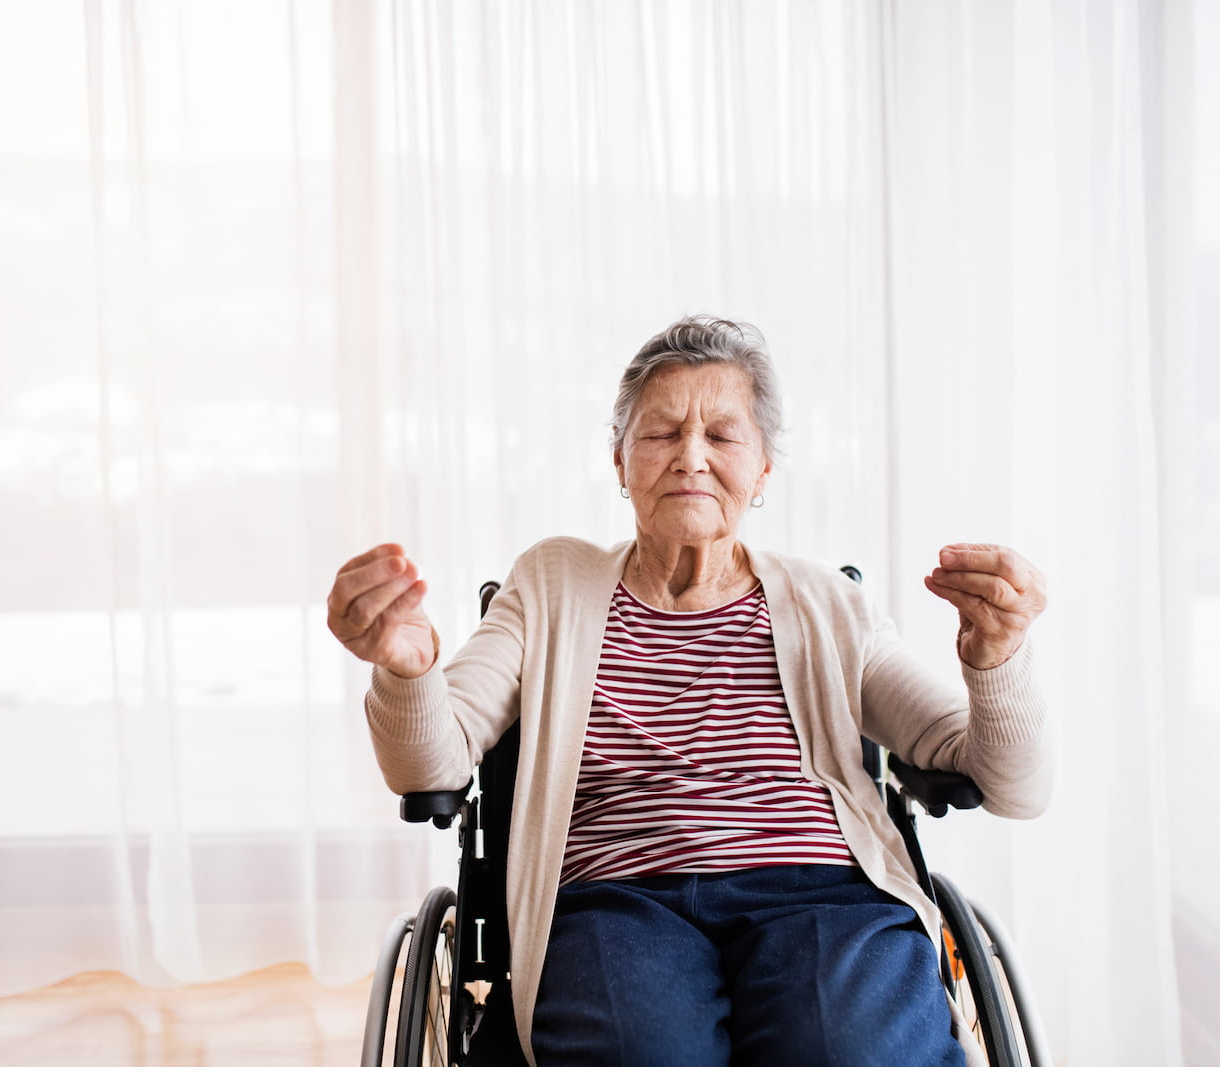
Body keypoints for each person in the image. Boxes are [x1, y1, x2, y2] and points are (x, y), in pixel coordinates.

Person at [327, 315, 1050, 1067]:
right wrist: (409, 672)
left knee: (849, 1051)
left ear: (764, 467)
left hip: (824, 897)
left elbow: (1014, 785)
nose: (691, 458)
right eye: (662, 433)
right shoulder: (551, 585)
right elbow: (429, 768)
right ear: (620, 460)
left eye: (723, 435)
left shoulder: (827, 603)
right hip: (616, 901)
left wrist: (996, 659)